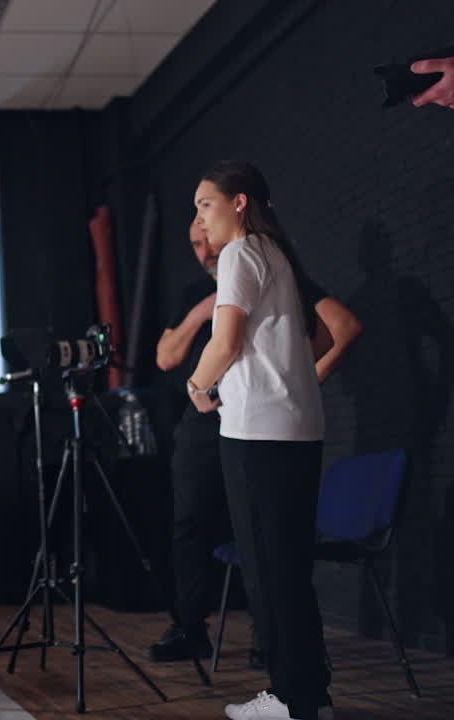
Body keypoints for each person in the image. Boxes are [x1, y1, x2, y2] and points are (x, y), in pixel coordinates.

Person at [148, 223, 361, 668]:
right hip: (203, 424)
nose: (203, 249)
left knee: (261, 531)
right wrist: (201, 313)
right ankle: (190, 627)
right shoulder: (194, 291)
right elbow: (166, 357)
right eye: (194, 243)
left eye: (208, 232)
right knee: (189, 525)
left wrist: (306, 381)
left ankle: (272, 641)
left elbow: (343, 326)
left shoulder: (264, 270)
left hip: (254, 420)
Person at [186, 161, 335, 720]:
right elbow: (318, 336)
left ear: (240, 202)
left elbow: (223, 343)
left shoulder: (239, 255)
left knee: (269, 571)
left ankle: (293, 701)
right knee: (290, 569)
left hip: (256, 435)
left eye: (205, 205)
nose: (200, 219)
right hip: (298, 432)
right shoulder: (280, 259)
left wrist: (198, 386)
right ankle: (308, 694)